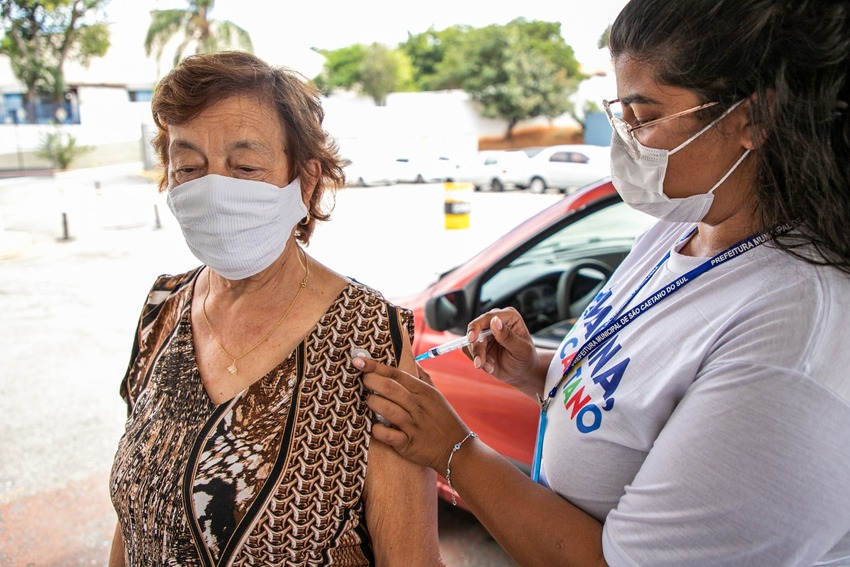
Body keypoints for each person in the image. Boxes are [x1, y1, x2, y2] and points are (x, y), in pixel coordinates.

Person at [354, 1, 850, 565]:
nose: (626, 141)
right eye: (619, 114)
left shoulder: (795, 340)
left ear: (751, 119)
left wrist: (453, 450)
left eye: (643, 116)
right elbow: (637, 399)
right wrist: (536, 371)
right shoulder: (684, 227)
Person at [108, 51, 443, 566]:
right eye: (189, 167)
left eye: (244, 167)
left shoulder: (370, 335)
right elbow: (131, 523)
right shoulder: (162, 309)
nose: (214, 190)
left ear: (305, 181)